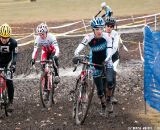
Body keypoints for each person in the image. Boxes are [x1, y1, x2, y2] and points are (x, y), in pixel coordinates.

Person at [73, 17, 114, 116]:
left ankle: (108, 100)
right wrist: (76, 54)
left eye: (101, 28)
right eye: (97, 29)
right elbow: (81, 45)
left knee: (110, 81)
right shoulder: (89, 37)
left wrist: (107, 59)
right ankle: (103, 105)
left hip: (106, 60)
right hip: (94, 61)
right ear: (93, 29)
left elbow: (109, 50)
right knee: (99, 89)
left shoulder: (107, 36)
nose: (99, 31)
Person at [0, 23, 18, 111]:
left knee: (9, 81)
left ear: (9, 36)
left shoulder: (13, 42)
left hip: (8, 63)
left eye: (6, 38)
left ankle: (11, 101)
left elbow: (15, 55)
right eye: (2, 37)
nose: (4, 39)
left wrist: (13, 64)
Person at [105, 17, 120, 103]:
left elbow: (114, 47)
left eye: (111, 26)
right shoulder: (101, 32)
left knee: (113, 74)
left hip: (114, 57)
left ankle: (112, 96)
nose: (109, 27)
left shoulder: (115, 34)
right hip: (104, 57)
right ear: (105, 25)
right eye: (108, 25)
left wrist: (109, 56)